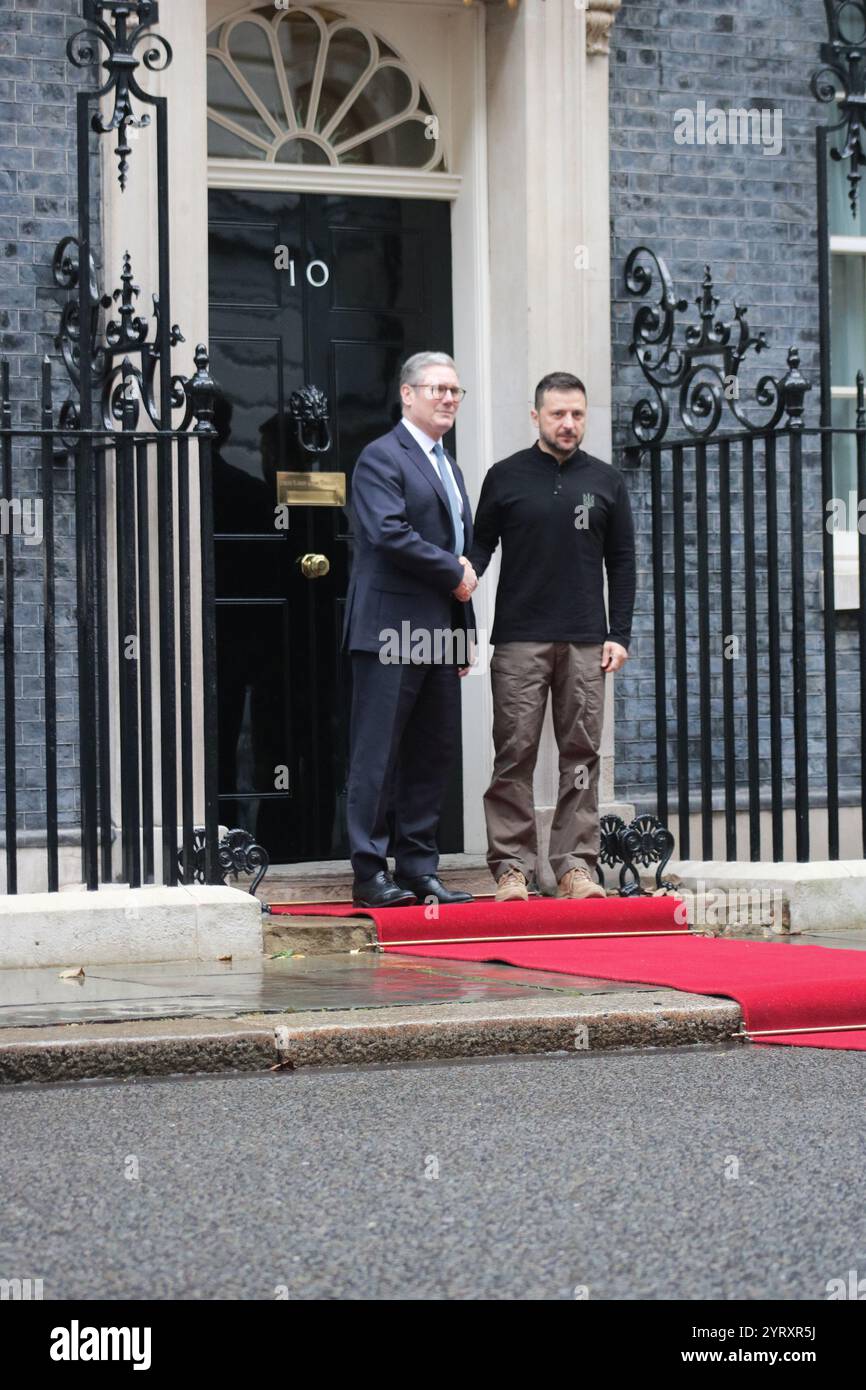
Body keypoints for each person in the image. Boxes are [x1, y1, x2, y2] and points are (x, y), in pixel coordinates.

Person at [469, 372, 636, 902]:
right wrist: (458, 583)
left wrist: (619, 634)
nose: (568, 424)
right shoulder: (504, 476)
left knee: (581, 757)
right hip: (520, 639)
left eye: (577, 415)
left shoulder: (607, 481)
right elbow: (479, 549)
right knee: (513, 754)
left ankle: (574, 867)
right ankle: (512, 868)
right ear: (536, 414)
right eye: (558, 414)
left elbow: (624, 562)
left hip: (587, 641)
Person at [344, 351, 477, 908]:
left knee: (431, 752)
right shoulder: (381, 457)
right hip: (389, 630)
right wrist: (455, 572)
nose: (447, 398)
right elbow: (388, 533)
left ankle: (419, 866)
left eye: (454, 391)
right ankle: (370, 871)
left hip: (439, 633)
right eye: (436, 389)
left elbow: (458, 549)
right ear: (407, 394)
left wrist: (463, 629)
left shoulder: (449, 464)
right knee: (378, 753)